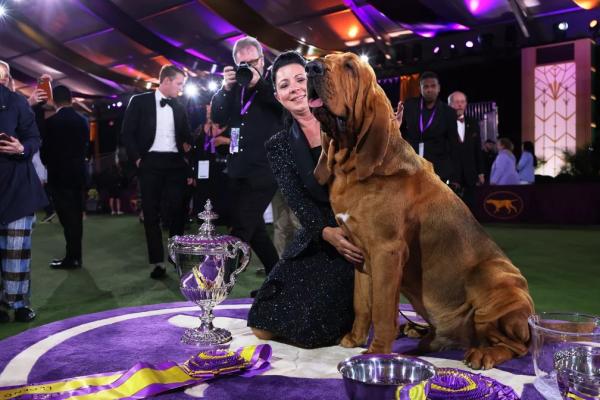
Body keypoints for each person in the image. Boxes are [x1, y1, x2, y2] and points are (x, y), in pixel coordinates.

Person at [247, 51, 362, 348]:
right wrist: (327, 234)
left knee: (311, 332)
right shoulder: (278, 145)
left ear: (312, 83)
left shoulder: (346, 123)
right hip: (319, 236)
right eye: (284, 85)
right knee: (262, 323)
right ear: (277, 95)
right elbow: (296, 200)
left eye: (300, 79)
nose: (295, 88)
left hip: (357, 233)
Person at [210, 36, 283, 276]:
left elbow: (282, 107)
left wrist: (257, 83)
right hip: (237, 168)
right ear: (235, 64)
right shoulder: (235, 89)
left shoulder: (275, 82)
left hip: (264, 169)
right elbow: (219, 118)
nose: (250, 67)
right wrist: (225, 88)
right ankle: (278, 280)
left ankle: (219, 279)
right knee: (257, 231)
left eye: (254, 62)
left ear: (262, 60)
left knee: (241, 226)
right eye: (244, 64)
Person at [121, 65, 193, 279]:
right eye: (179, 84)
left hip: (175, 163)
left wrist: (189, 143)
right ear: (167, 81)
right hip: (150, 162)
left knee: (178, 211)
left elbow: (187, 136)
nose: (180, 89)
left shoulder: (180, 106)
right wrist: (137, 158)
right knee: (151, 213)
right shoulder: (139, 101)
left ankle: (176, 257)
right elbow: (127, 133)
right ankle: (157, 262)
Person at [0, 61, 48, 323]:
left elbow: (34, 138)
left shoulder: (17, 103)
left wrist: (20, 148)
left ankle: (18, 304)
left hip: (18, 187)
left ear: (7, 80)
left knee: (17, 249)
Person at [41, 85, 89, 270]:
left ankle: (72, 258)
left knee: (67, 219)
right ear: (70, 99)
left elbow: (45, 153)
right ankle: (76, 256)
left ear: (54, 100)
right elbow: (85, 147)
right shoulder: (83, 120)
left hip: (59, 177)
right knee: (76, 217)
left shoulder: (52, 123)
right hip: (78, 175)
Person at [400, 71, 458, 184]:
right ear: (420, 88)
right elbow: (399, 132)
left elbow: (453, 143)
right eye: (425, 86)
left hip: (438, 168)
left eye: (433, 86)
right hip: (412, 165)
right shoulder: (409, 106)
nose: (429, 89)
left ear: (439, 88)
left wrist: (455, 175)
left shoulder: (448, 112)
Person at [447, 91, 484, 210]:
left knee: (471, 208)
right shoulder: (443, 123)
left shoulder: (473, 123)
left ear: (466, 104)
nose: (460, 105)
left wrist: (481, 172)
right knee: (451, 209)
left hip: (470, 174)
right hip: (451, 174)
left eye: (462, 102)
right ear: (450, 105)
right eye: (456, 102)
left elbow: (477, 149)